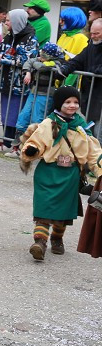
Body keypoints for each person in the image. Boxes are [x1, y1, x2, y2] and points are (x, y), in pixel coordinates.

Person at [20, 86, 101, 261]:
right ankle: (39, 243)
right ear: (59, 103)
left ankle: (57, 238)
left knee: (63, 212)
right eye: (67, 102)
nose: (72, 105)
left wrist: (99, 168)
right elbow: (36, 141)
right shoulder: (49, 123)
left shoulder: (81, 126)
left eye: (75, 102)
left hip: (70, 174)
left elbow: (93, 151)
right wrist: (32, 150)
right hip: (48, 171)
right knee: (44, 209)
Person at [0, 8, 39, 150]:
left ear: (16, 21)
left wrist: (3, 59)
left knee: (16, 114)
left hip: (20, 84)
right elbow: (2, 50)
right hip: (6, 81)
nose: (6, 23)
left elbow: (27, 60)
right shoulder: (10, 36)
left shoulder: (31, 38)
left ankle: (15, 145)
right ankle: (6, 142)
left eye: (8, 20)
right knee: (6, 113)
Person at [58, 19, 102, 128]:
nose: (92, 36)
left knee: (98, 132)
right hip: (90, 96)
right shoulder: (91, 45)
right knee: (90, 129)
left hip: (98, 95)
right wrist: (65, 69)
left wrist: (93, 70)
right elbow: (78, 60)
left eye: (96, 33)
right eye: (91, 33)